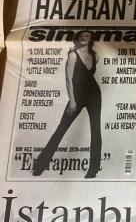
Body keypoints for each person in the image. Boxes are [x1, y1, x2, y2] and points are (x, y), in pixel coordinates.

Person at [32, 31, 102, 179]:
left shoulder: (95, 56)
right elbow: (69, 80)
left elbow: (89, 76)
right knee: (62, 128)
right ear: (78, 39)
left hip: (94, 95)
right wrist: (72, 100)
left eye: (87, 36)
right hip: (77, 96)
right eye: (81, 36)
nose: (83, 38)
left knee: (96, 130)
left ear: (91, 39)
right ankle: (40, 165)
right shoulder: (73, 55)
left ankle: (93, 169)